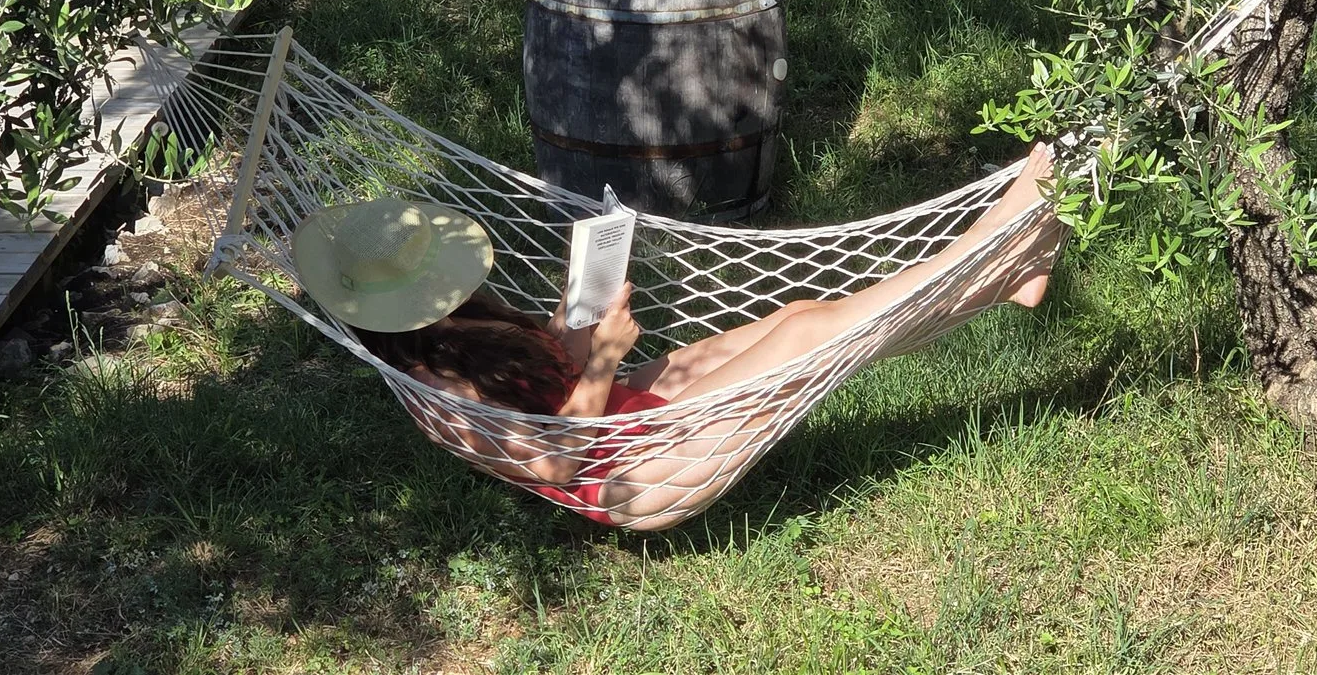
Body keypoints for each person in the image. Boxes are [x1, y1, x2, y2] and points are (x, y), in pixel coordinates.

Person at [291, 143, 1065, 529]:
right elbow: (555, 458)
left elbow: (543, 375)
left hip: (631, 417)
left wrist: (574, 314)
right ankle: (1000, 238)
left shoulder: (463, 326)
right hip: (643, 472)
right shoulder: (439, 398)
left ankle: (1006, 273)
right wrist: (599, 361)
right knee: (820, 337)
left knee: (801, 316)